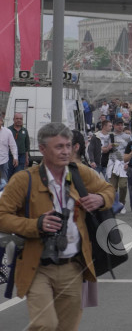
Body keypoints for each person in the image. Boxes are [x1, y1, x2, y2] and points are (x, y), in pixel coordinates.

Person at [0, 122, 114, 330]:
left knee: (67, 327)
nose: (66, 152)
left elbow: (108, 190)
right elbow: (2, 216)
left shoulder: (79, 172)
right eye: (59, 147)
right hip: (37, 266)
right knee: (46, 324)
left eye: (68, 146)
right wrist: (36, 224)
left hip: (74, 265)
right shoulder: (23, 180)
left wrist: (99, 198)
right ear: (42, 149)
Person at [108, 119, 132, 214]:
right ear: (114, 125)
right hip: (112, 164)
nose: (120, 126)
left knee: (122, 185)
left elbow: (131, 150)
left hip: (123, 164)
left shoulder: (127, 137)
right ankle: (114, 205)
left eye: (121, 125)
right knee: (112, 187)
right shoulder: (110, 136)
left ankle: (121, 203)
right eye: (118, 125)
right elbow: (104, 149)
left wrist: (128, 163)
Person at [0, 117, 19, 190]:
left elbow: (13, 145)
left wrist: (15, 157)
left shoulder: (7, 132)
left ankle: (3, 198)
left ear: (1, 121)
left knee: (4, 182)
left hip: (3, 161)